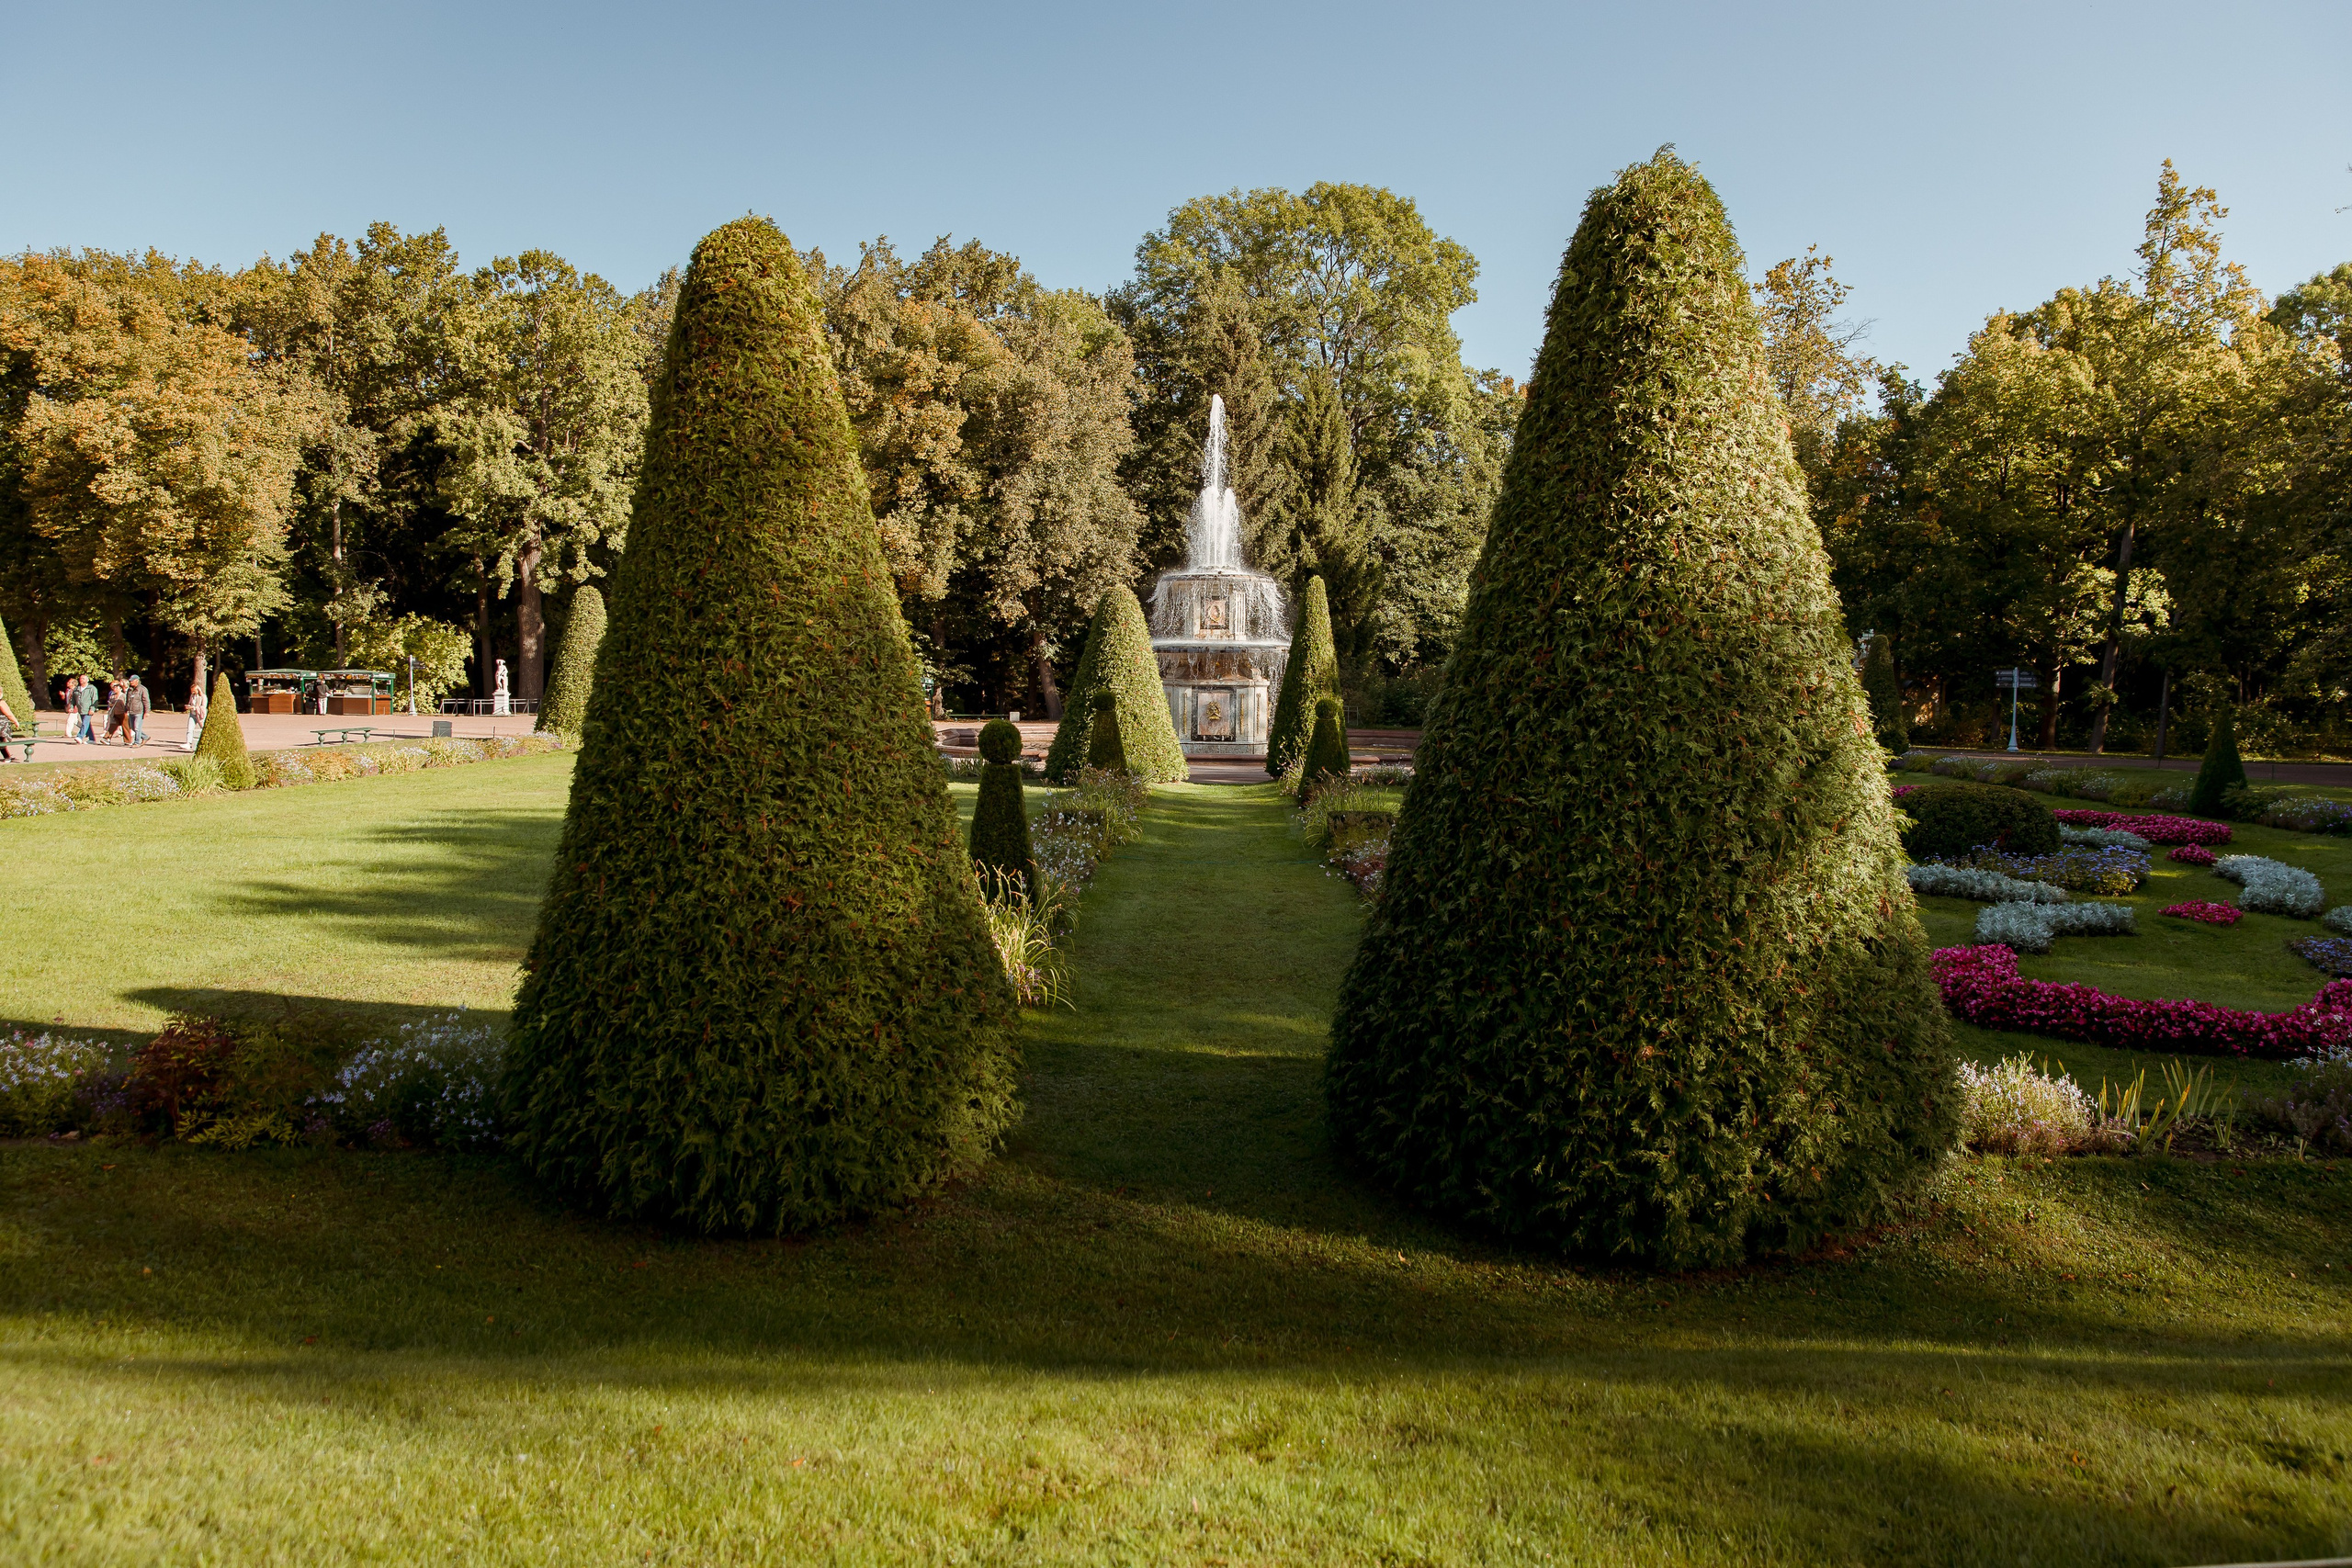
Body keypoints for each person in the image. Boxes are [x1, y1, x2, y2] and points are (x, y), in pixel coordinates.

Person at [182, 677, 207, 752]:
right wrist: (188, 706)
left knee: (203, 728)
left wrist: (195, 707)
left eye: (194, 691)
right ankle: (188, 743)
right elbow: (190, 703)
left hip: (199, 715)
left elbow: (203, 707)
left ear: (197, 690)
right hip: (192, 714)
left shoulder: (203, 696)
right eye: (191, 691)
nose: (192, 692)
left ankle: (205, 741)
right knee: (190, 728)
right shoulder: (192, 696)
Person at [72, 674, 96, 743]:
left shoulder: (92, 688)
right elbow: (73, 699)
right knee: (86, 724)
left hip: (88, 709)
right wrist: (72, 706)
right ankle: (92, 739)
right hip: (81, 709)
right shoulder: (77, 689)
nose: (81, 680)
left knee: (85, 723)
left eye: (83, 678)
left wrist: (92, 708)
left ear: (87, 680)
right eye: (80, 678)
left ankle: (80, 736)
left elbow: (94, 699)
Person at [126, 675, 150, 746]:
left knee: (137, 727)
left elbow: (146, 701)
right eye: (130, 681)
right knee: (133, 727)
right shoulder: (129, 689)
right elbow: (127, 701)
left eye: (132, 681)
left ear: (137, 681)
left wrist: (147, 711)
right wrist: (126, 708)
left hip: (139, 711)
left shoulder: (142, 689)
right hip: (131, 711)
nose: (130, 682)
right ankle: (145, 737)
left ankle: (137, 742)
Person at [104, 681, 128, 745]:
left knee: (125, 727)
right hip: (114, 713)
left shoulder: (123, 695)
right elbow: (110, 703)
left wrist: (126, 711)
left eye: (117, 688)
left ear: (120, 689)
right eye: (114, 688)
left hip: (122, 713)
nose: (115, 689)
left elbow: (126, 704)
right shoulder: (112, 696)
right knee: (112, 726)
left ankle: (128, 741)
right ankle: (107, 739)